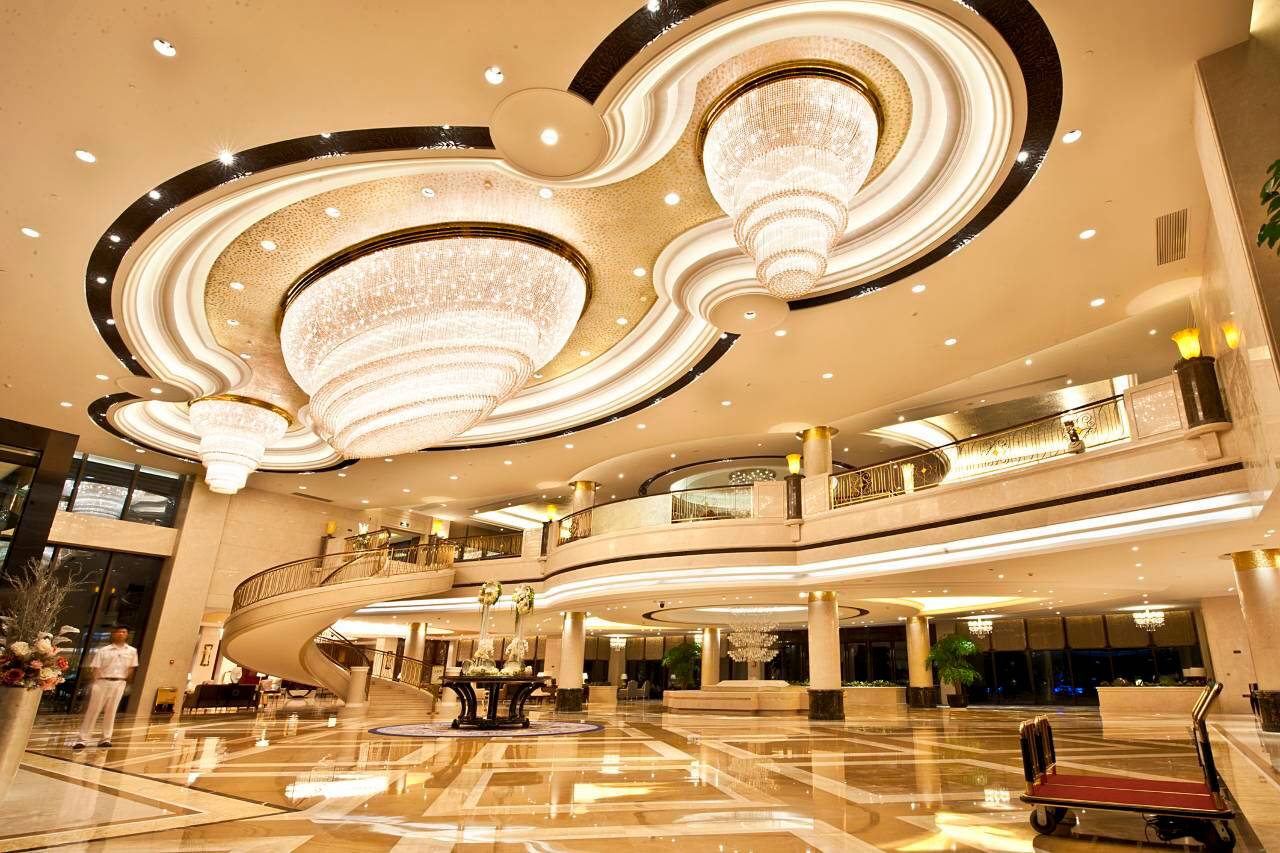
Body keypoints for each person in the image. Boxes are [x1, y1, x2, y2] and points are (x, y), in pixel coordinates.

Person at [73, 625, 138, 749]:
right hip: (102, 682)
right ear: (114, 634)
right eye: (118, 631)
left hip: (119, 683)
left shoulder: (131, 651)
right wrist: (95, 682)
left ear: (127, 634)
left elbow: (131, 668)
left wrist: (126, 681)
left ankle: (106, 738)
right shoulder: (103, 650)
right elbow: (95, 667)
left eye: (123, 632)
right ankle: (83, 739)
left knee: (111, 711)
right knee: (93, 710)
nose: (121, 634)